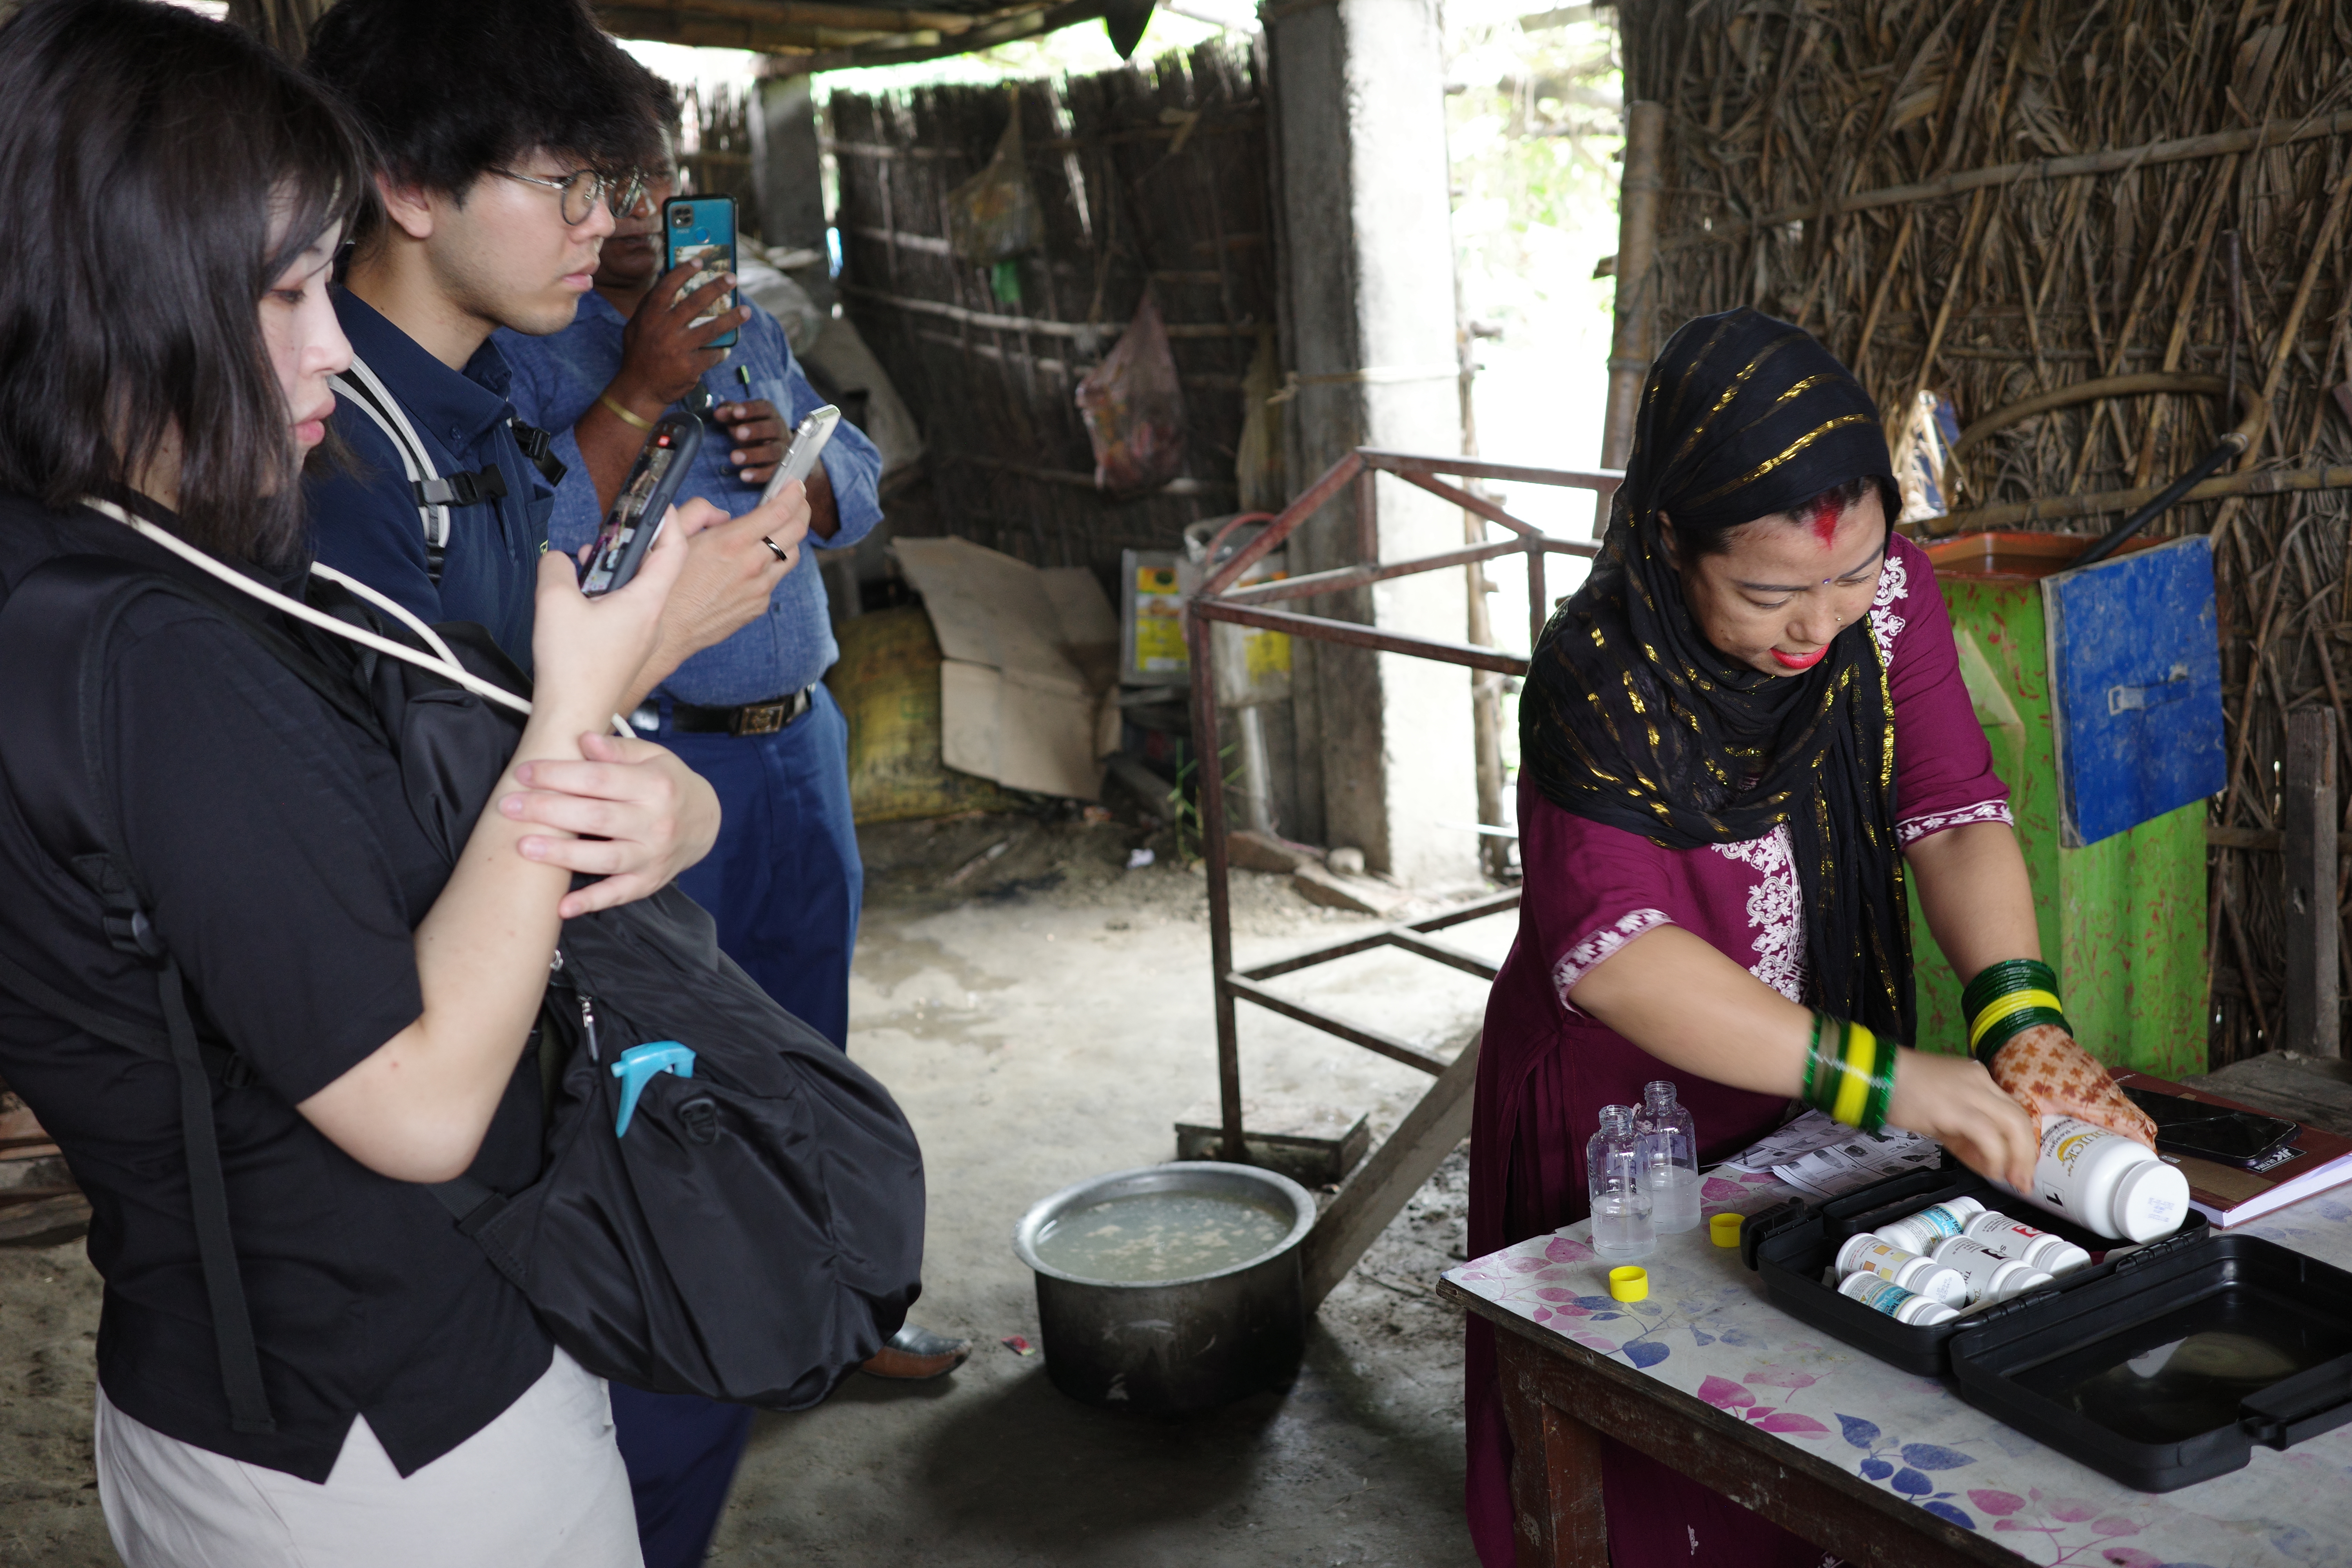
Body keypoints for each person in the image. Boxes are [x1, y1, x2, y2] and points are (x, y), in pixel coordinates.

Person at [0, 2, 717, 1562]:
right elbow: (419, 1103)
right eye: (283, 288)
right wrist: (577, 712)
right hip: (388, 1437)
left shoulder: (122, 553)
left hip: (242, 1383)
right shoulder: (150, 651)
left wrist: (659, 798)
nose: (331, 339)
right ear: (116, 293)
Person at [1462, 309, 2160, 1568]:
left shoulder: (1886, 603)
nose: (1820, 626)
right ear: (1671, 537)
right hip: (1631, 1117)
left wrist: (2021, 1020)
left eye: (1851, 577)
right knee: (1651, 1442)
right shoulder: (1598, 682)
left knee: (1823, 1415)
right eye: (1770, 593)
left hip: (1820, 1097)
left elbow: (1950, 813)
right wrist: (1889, 1081)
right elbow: (1617, 954)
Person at [498, 90, 968, 1568]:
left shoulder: (745, 321)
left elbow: (861, 491)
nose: (632, 212)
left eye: (648, 182)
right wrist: (641, 384)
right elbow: (538, 546)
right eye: (597, 184)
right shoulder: (534, 350)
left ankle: (818, 1322)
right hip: (653, 767)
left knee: (804, 1050)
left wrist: (808, 470)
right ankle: (696, 1339)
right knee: (676, 1072)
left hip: (796, 748)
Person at [302, 0, 804, 712]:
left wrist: (640, 584)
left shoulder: (484, 401)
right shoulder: (333, 449)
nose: (603, 220)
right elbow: (428, 801)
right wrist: (668, 634)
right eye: (567, 186)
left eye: (606, 186)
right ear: (413, 188)